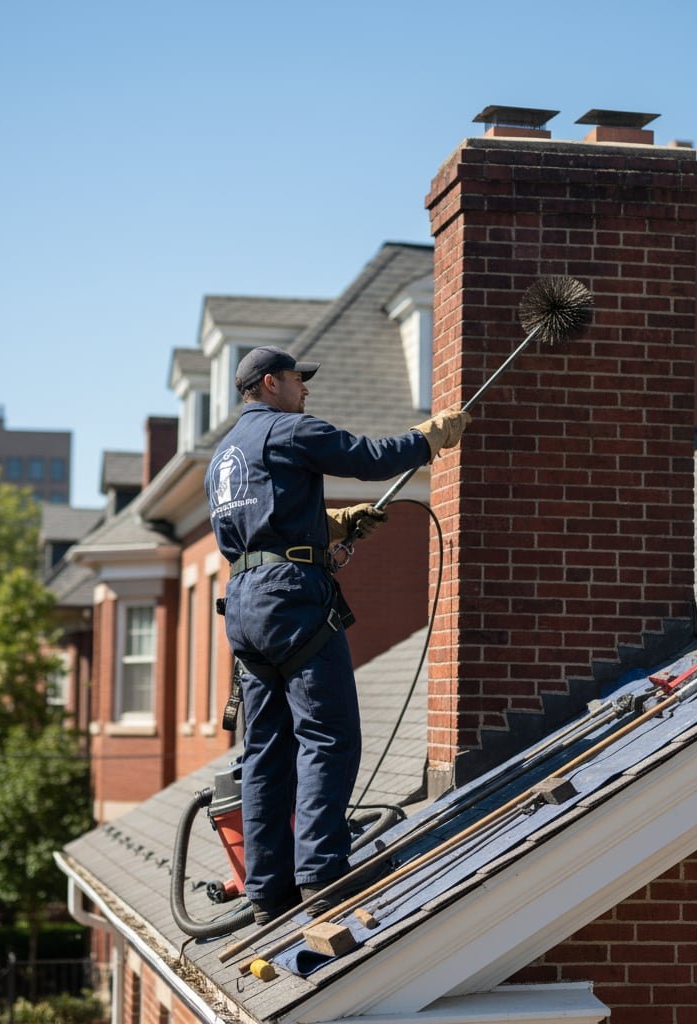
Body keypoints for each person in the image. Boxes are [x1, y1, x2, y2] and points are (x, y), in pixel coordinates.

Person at [204, 345, 470, 924]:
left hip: (246, 608)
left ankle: (267, 893)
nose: (307, 390)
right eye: (300, 380)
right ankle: (323, 873)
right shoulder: (288, 429)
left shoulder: (223, 455)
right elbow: (368, 457)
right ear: (272, 383)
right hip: (288, 601)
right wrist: (430, 437)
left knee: (267, 752)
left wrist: (332, 528)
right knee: (328, 736)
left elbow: (258, 527)